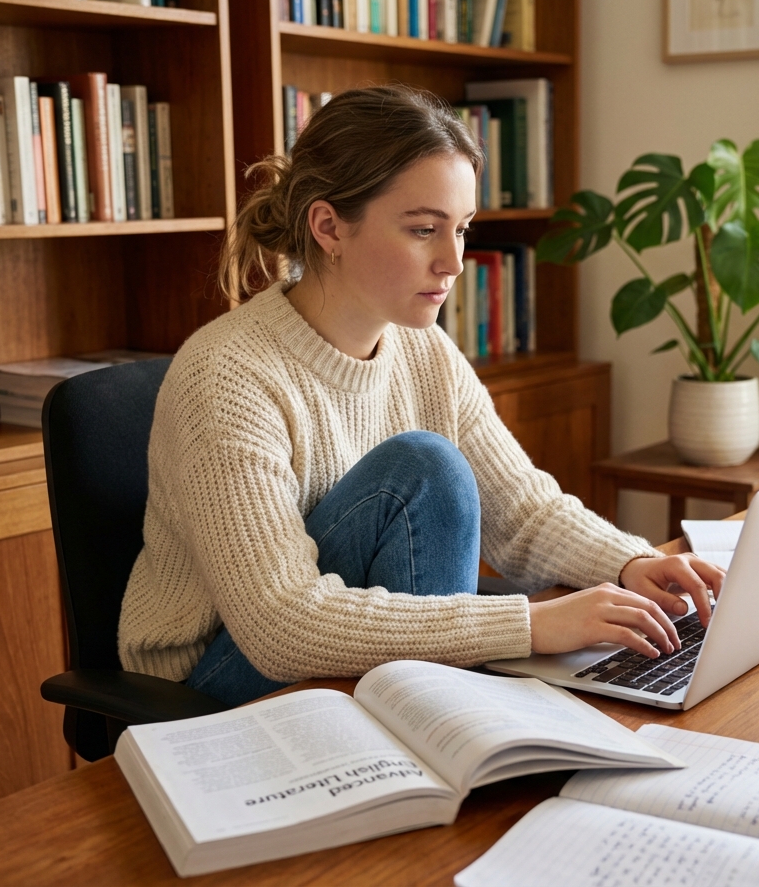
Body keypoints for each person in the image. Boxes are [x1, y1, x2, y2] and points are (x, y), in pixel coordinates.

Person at [118, 85, 724, 706]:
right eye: (423, 229)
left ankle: (444, 729)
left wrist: (630, 563)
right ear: (328, 226)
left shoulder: (423, 349)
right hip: (216, 679)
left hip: (346, 645)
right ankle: (447, 726)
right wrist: (531, 626)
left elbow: (521, 511)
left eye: (460, 229)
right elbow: (281, 626)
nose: (454, 262)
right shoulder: (226, 375)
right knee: (424, 466)